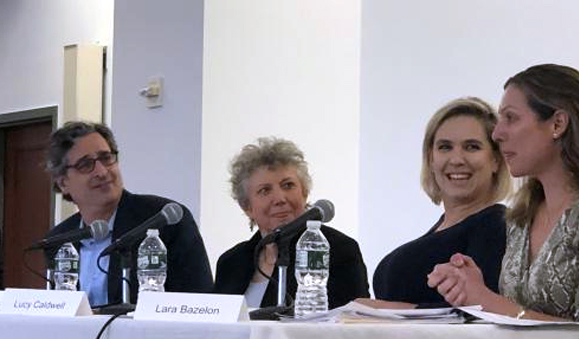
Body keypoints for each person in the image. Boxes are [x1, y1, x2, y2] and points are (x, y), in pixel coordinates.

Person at [428, 64, 579, 323]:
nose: (497, 134)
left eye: (511, 118)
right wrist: (475, 287)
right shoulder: (520, 218)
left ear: (557, 123)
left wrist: (486, 300)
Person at [44, 121, 213, 307]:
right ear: (63, 183)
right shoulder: (59, 240)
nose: (102, 171)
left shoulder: (163, 220)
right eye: (86, 165)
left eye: (106, 158)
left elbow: (200, 304)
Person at [367, 97, 511, 308]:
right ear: (431, 159)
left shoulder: (497, 226)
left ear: (496, 160)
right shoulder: (442, 229)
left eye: (472, 147)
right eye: (445, 147)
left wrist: (394, 310)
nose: (456, 159)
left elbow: (484, 313)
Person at [214, 137, 370, 309]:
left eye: (288, 185)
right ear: (247, 207)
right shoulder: (231, 262)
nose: (280, 199)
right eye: (265, 190)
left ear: (304, 193)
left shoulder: (338, 249)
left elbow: (352, 324)